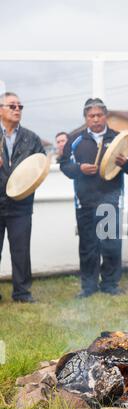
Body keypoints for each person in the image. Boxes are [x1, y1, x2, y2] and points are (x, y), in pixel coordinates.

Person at [60, 98, 128, 297]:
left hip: (111, 200)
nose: (95, 119)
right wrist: (79, 168)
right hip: (85, 201)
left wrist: (125, 162)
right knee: (88, 245)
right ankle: (88, 286)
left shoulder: (119, 138)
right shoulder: (75, 140)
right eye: (91, 116)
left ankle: (110, 284)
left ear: (106, 116)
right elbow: (64, 166)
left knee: (111, 243)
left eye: (99, 115)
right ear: (86, 118)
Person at [0, 92, 45, 303]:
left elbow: (40, 166)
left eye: (20, 106)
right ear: (0, 109)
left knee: (21, 251)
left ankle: (22, 293)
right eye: (12, 106)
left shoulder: (31, 138)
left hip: (21, 205)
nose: (17, 109)